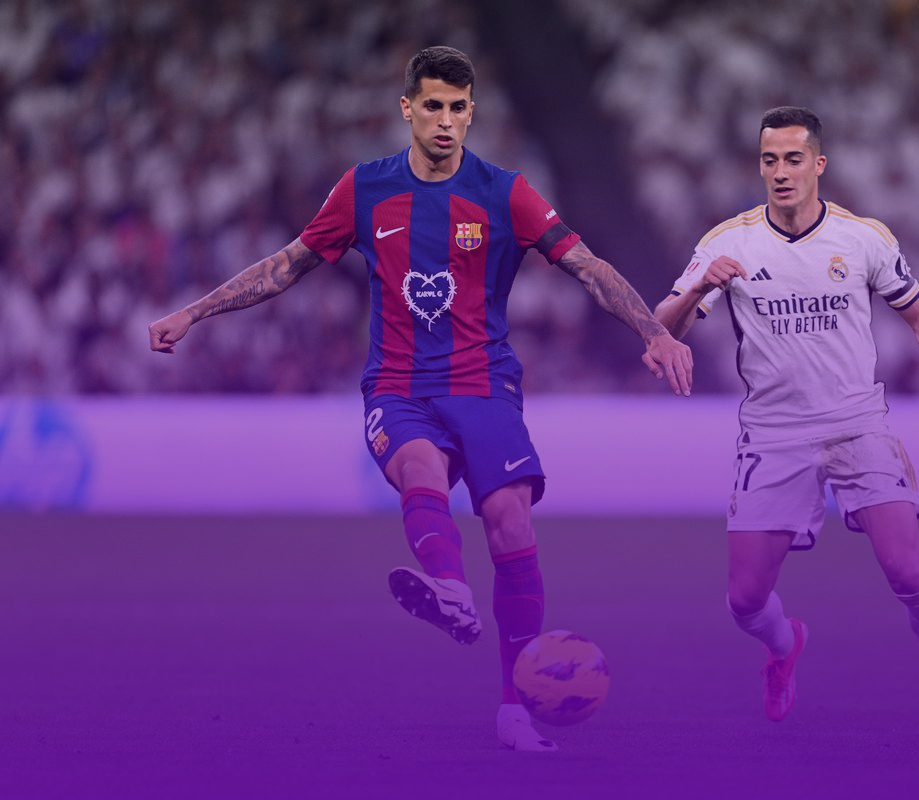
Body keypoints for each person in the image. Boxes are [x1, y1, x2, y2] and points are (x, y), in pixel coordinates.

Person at [149, 45, 693, 752]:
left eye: (457, 108)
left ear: (471, 114)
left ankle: (515, 708)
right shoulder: (363, 189)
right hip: (399, 384)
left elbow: (585, 265)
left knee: (510, 523)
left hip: (484, 383)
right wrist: (195, 311)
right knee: (419, 468)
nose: (444, 120)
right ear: (407, 108)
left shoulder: (505, 193)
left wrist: (653, 330)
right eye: (432, 106)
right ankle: (450, 589)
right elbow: (286, 265)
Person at [654, 106, 919, 731]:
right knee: (744, 600)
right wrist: (701, 286)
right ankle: (785, 644)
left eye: (793, 159)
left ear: (819, 164)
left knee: (906, 569)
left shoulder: (862, 238)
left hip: (856, 422)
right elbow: (662, 328)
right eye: (769, 160)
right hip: (773, 433)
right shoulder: (727, 242)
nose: (780, 172)